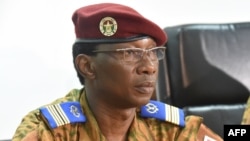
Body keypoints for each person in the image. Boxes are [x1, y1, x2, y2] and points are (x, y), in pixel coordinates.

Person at [12, 3, 223, 141]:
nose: (149, 66)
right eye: (130, 53)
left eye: (153, 52)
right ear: (87, 66)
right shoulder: (50, 131)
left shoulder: (168, 128)